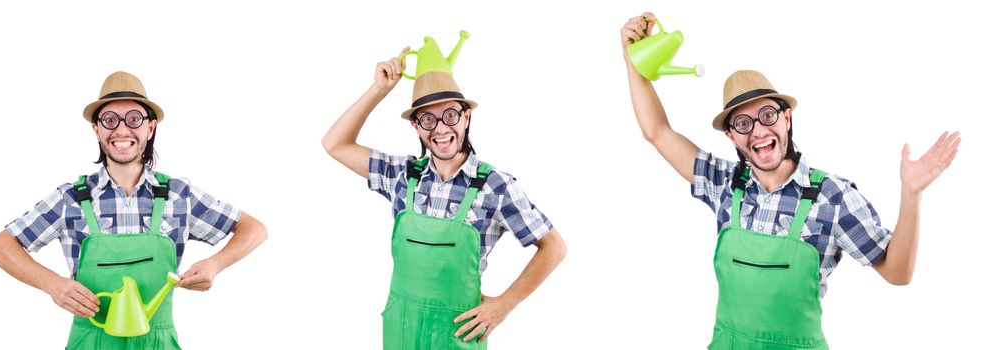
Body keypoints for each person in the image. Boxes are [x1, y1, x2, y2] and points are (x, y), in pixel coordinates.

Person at [621, 12, 960, 349]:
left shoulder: (832, 197)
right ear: (731, 136)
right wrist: (632, 58)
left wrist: (911, 194)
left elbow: (897, 273)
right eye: (743, 124)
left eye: (767, 115)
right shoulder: (725, 184)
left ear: (786, 117)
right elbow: (657, 132)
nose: (758, 131)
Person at [0, 71, 268, 349]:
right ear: (96, 129)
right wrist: (52, 284)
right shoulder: (70, 199)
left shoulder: (179, 195)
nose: (121, 130)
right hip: (91, 341)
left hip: (157, 341)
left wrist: (215, 264)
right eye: (110, 120)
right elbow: (0, 246)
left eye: (134, 119)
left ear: (150, 127)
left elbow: (254, 229)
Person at [322, 48, 567, 349]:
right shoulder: (402, 175)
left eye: (450, 115)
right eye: (427, 119)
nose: (440, 128)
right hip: (402, 331)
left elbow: (553, 246)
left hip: (457, 336)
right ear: (416, 126)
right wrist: (379, 90)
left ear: (466, 117)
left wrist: (504, 304)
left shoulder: (495, 186)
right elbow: (335, 144)